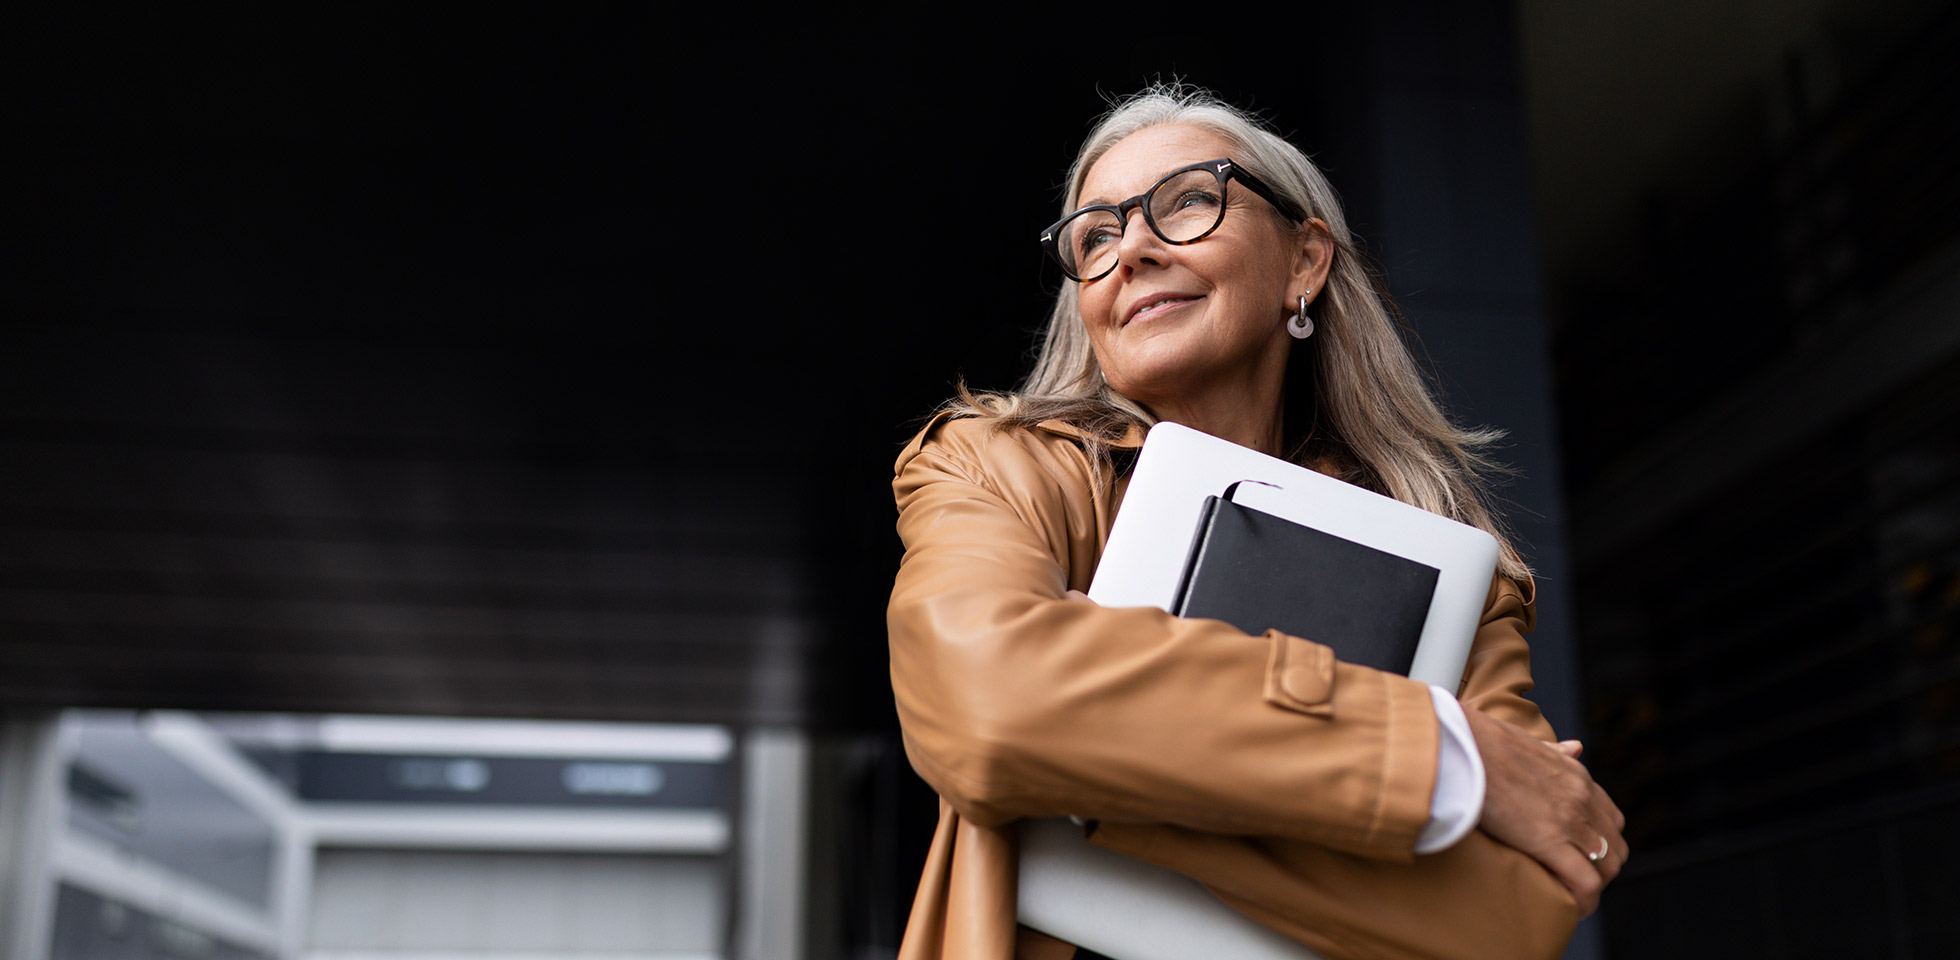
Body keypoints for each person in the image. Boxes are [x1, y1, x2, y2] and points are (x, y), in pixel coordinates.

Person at [887, 85, 1626, 960]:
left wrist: (1096, 774)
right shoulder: (989, 465)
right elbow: (992, 701)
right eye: (1094, 235)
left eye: (1190, 199)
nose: (1131, 250)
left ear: (1305, 260)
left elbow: (1518, 908)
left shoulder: (1459, 567)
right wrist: (1438, 759)